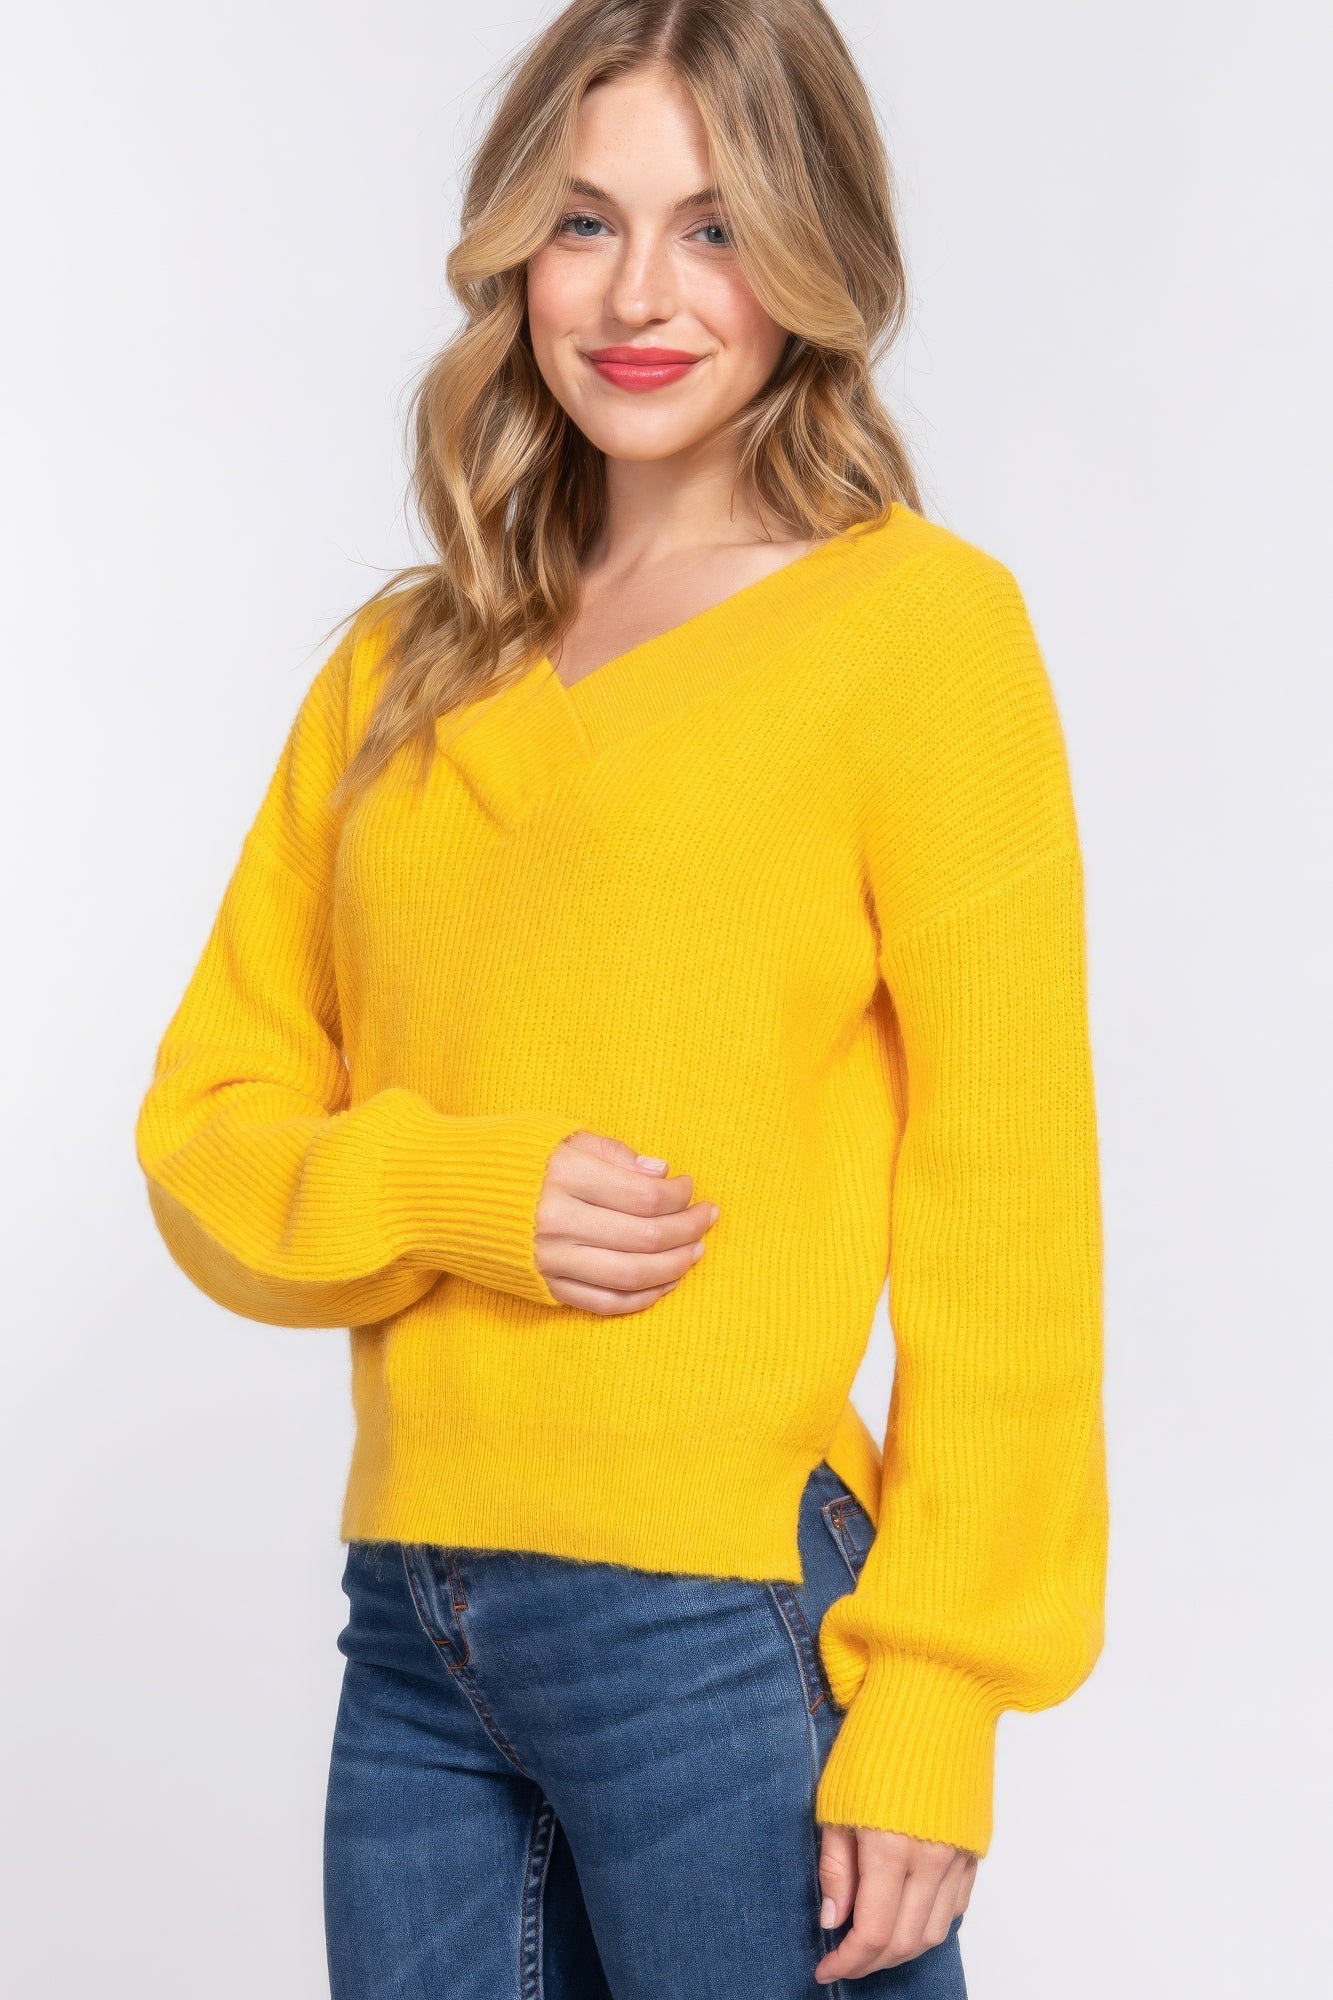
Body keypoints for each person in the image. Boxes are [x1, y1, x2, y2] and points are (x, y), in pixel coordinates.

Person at [133, 2, 1107, 1993]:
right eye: (585, 222)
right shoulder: (402, 668)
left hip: (721, 1619)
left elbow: (1006, 1216)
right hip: (413, 1633)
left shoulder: (919, 633)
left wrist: (938, 1690)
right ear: (515, 251)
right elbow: (206, 1138)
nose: (640, 294)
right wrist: (455, 1190)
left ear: (815, 256)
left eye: (716, 227)